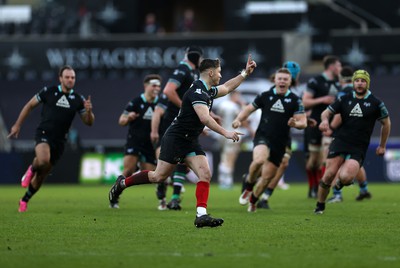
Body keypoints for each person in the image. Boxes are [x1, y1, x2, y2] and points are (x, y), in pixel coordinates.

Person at [109, 55, 257, 228]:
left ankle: (201, 215)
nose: (220, 75)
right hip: (176, 139)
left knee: (205, 174)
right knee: (159, 176)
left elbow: (226, 88)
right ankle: (122, 183)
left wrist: (245, 73)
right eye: (219, 72)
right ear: (210, 73)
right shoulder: (198, 91)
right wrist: (225, 132)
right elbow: (204, 118)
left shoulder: (206, 89)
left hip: (190, 140)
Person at [8, 65, 95, 212]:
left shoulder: (78, 99)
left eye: (72, 77)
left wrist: (89, 111)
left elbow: (88, 122)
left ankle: (24, 200)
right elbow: (29, 106)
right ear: (60, 78)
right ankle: (32, 168)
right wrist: (17, 125)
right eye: (67, 77)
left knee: (42, 175)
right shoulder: (49, 92)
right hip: (44, 133)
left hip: (60, 141)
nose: (70, 80)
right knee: (42, 160)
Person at [314, 70, 391, 214]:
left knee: (346, 177)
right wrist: (324, 121)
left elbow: (386, 123)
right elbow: (326, 112)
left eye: (363, 81)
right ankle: (320, 205)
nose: (360, 83)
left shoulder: (376, 103)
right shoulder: (345, 99)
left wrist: (382, 145)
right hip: (340, 142)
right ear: (354, 82)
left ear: (367, 83)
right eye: (357, 81)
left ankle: (341, 184)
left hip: (358, 147)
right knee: (328, 175)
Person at [235, 68, 307, 212]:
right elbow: (249, 109)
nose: (282, 81)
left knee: (267, 178)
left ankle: (254, 200)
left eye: (285, 79)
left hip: (280, 143)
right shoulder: (265, 96)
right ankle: (249, 186)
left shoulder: (295, 100)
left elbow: (303, 122)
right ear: (274, 80)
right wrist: (238, 119)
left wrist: (296, 124)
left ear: (289, 82)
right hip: (263, 136)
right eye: (279, 78)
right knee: (259, 160)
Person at [150, 46, 203, 211]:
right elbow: (168, 92)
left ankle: (174, 198)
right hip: (175, 124)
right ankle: (161, 184)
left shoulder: (194, 74)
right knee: (164, 167)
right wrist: (185, 108)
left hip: (189, 124)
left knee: (183, 163)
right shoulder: (182, 70)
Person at [110, 75, 162, 208]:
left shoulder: (160, 104)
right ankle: (115, 196)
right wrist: (128, 117)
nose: (157, 88)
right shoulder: (136, 102)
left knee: (151, 173)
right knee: (128, 170)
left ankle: (138, 168)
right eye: (154, 85)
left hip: (150, 144)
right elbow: (121, 121)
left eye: (158, 85)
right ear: (146, 86)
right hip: (135, 141)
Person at [325, 66, 371, 203]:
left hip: (344, 133)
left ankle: (337, 194)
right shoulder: (364, 91)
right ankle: (364, 189)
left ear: (340, 78)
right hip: (360, 134)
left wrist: (331, 127)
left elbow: (339, 114)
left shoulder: (344, 92)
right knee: (355, 163)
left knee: (336, 163)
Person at [302, 55, 342, 198]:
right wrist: (322, 99)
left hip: (332, 126)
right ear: (331, 66)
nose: (340, 68)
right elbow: (305, 102)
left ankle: (322, 188)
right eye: (338, 65)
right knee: (313, 161)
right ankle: (312, 185)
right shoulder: (315, 81)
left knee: (325, 159)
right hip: (315, 124)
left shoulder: (339, 83)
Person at [216, 90, 248, 189]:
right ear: (233, 95)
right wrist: (243, 106)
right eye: (237, 96)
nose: (238, 98)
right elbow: (244, 120)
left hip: (222, 134)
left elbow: (218, 119)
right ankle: (227, 181)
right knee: (230, 159)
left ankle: (222, 180)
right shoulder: (234, 107)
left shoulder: (222, 105)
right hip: (233, 135)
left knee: (224, 157)